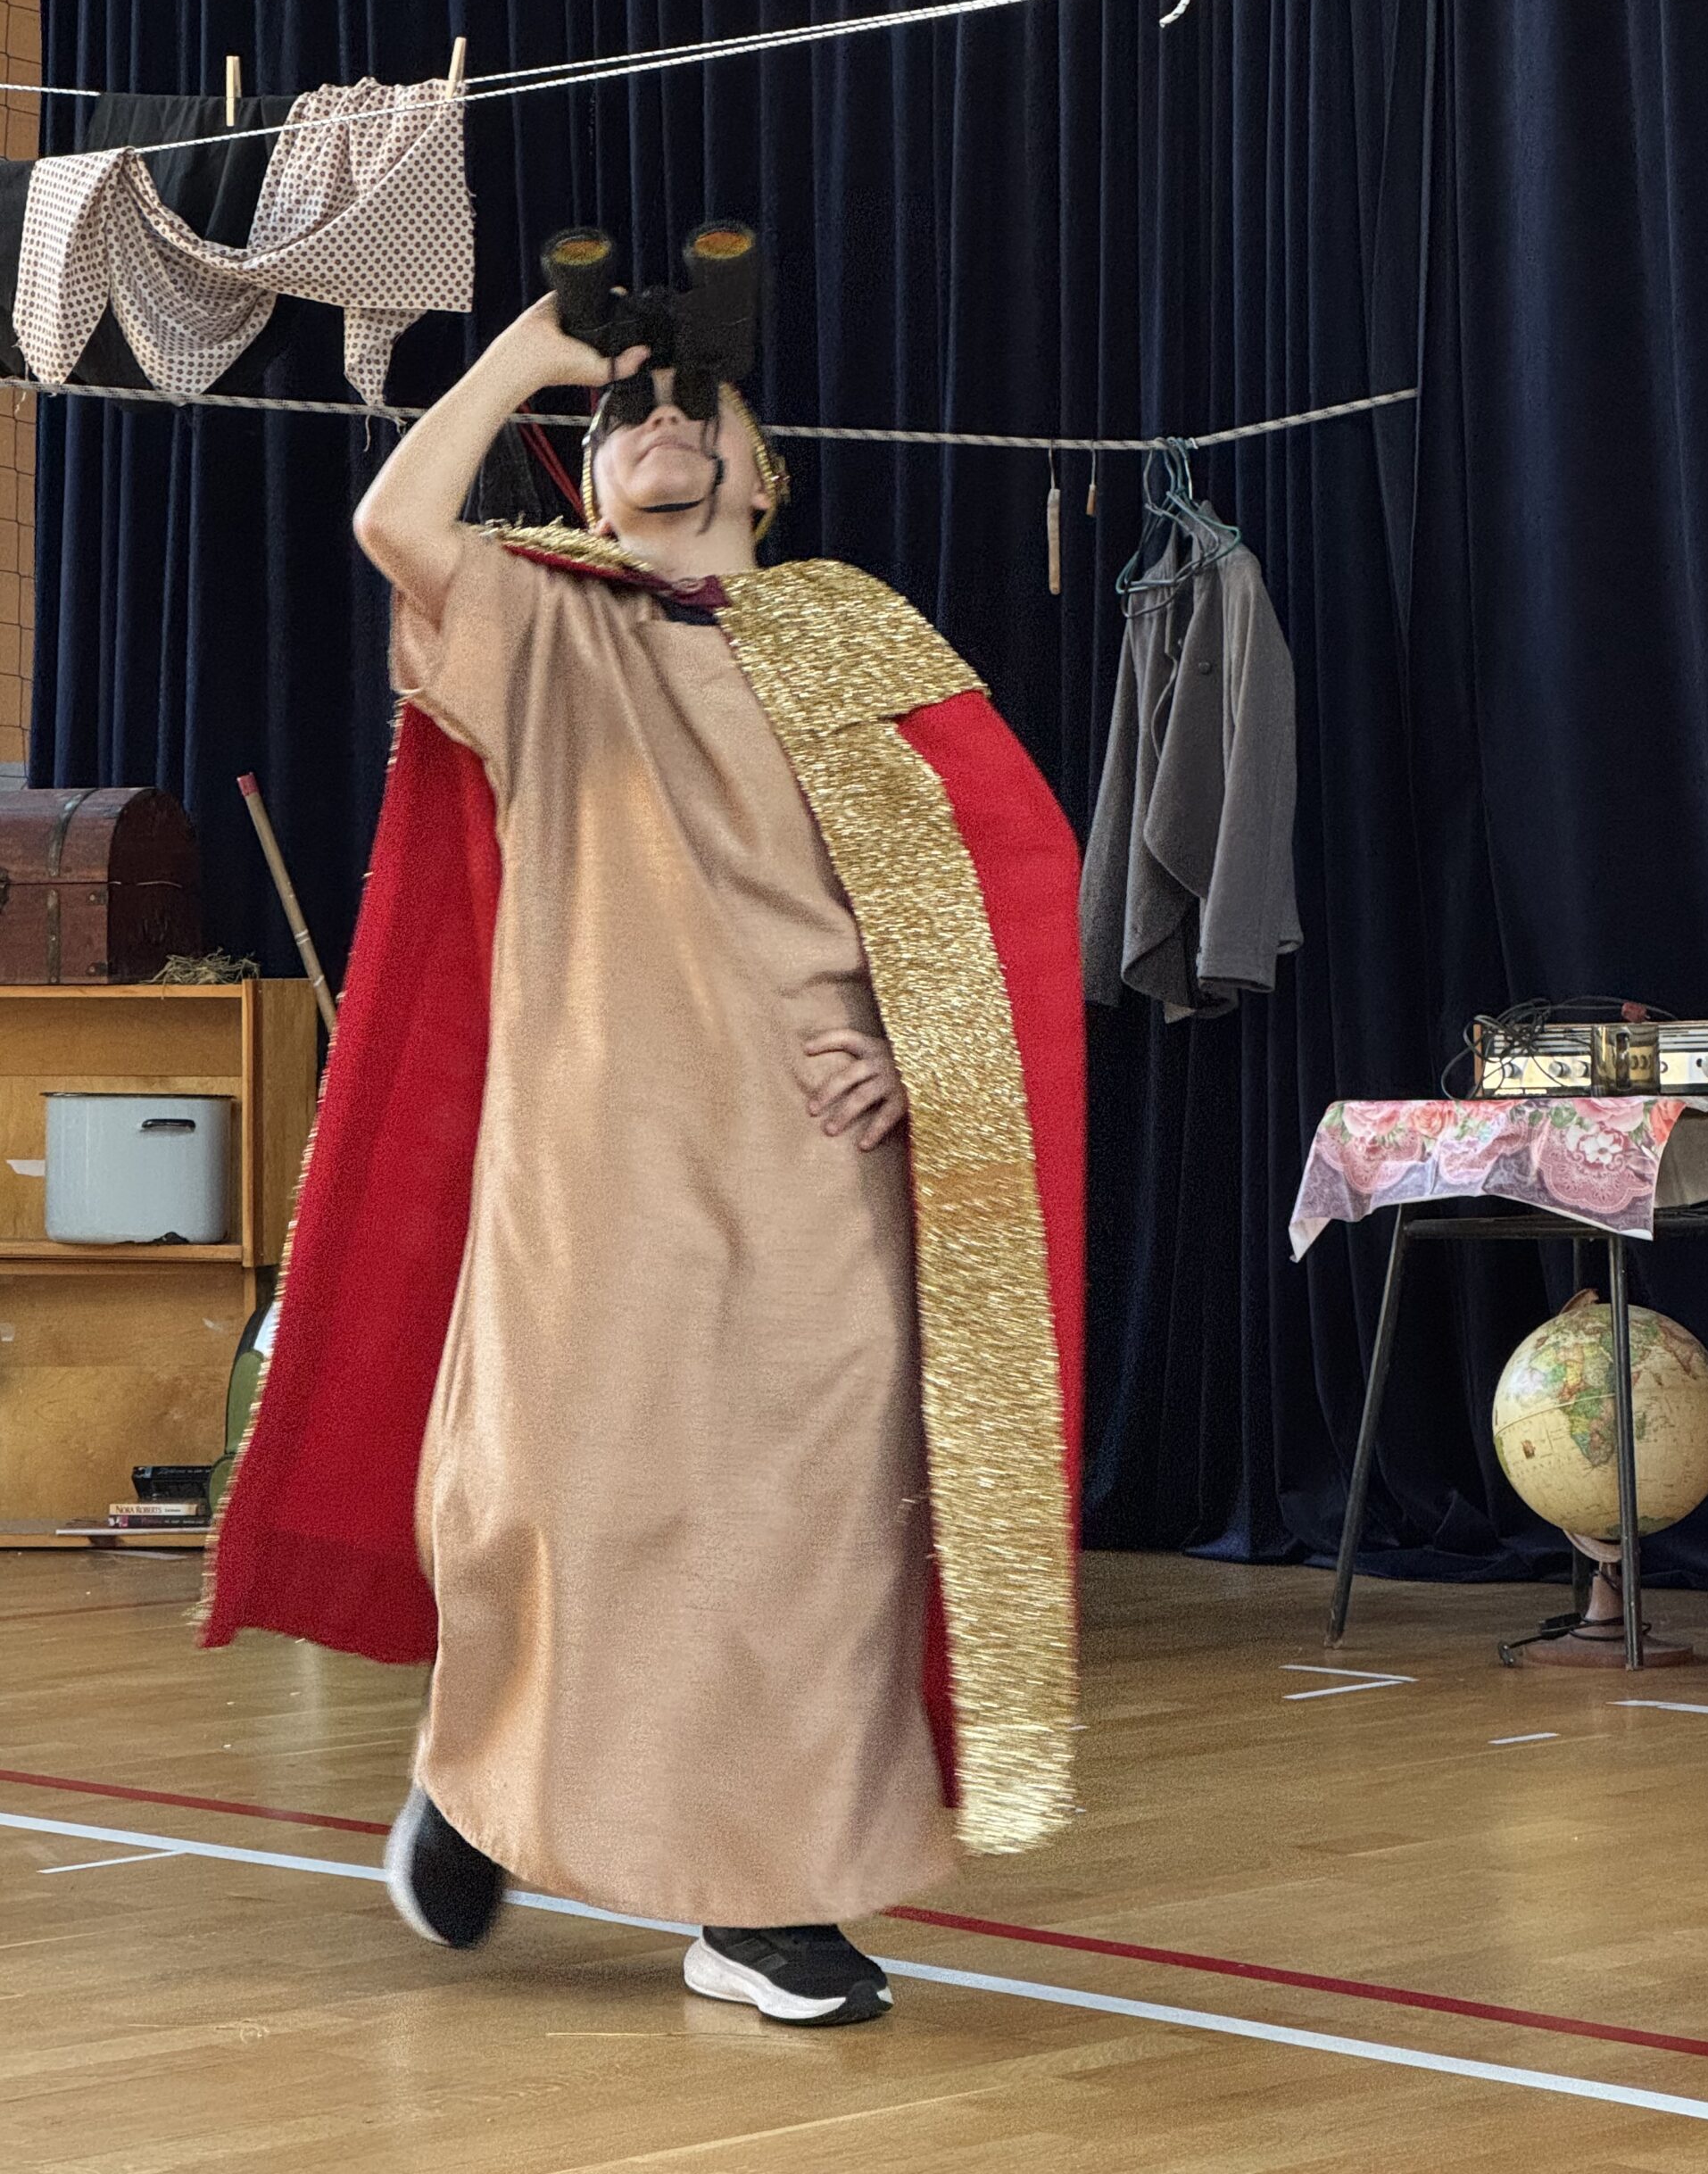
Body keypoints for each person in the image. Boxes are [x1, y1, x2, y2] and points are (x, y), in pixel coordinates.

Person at [203, 280, 1086, 2029]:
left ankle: (764, 1905)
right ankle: (483, 1784)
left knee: (813, 1540)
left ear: (767, 471)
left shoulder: (862, 641)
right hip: (589, 1172)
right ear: (591, 487)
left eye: (697, 406)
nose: (662, 423)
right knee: (564, 1511)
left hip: (814, 1174)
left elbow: (1015, 877)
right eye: (624, 419)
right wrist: (529, 359)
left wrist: (921, 1053)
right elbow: (396, 522)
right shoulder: (546, 624)